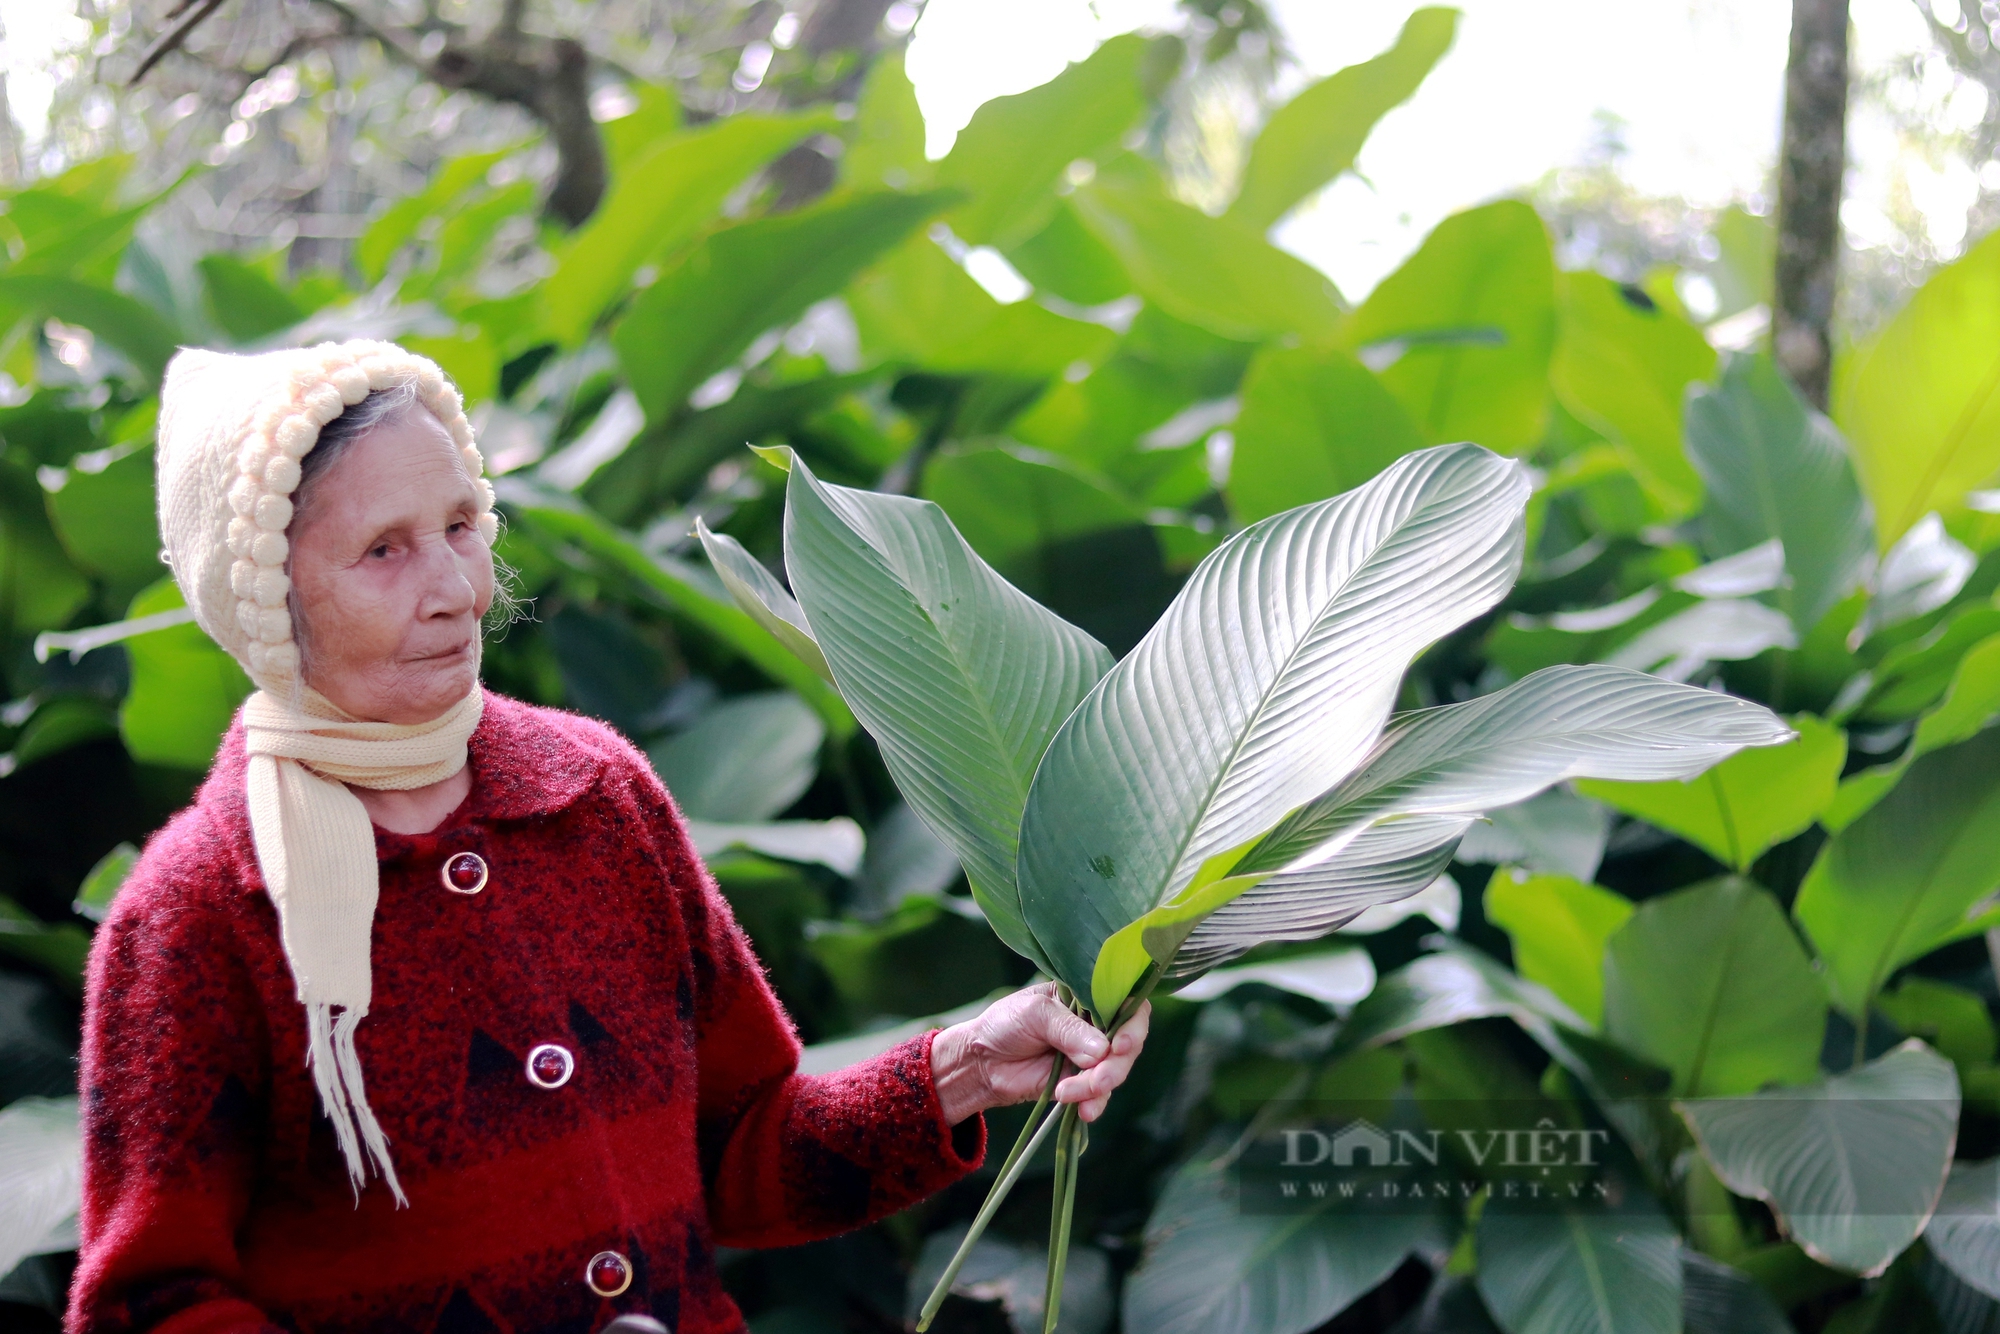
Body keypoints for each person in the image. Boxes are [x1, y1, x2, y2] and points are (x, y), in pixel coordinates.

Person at [67, 339, 1151, 1334]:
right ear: (266, 594)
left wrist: (960, 1066)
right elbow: (149, 1302)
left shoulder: (595, 795)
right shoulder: (196, 916)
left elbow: (740, 1145)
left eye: (458, 525)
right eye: (383, 550)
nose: (454, 588)